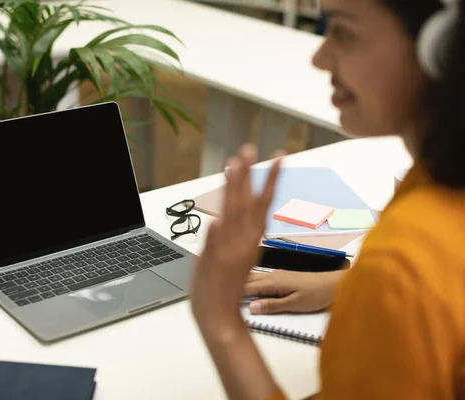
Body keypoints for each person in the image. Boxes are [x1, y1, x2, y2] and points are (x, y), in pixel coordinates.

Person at [190, 0, 465, 399]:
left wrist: (219, 321)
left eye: (342, 32)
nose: (319, 58)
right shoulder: (435, 183)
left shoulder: (402, 261)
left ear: (440, 47)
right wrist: (345, 283)